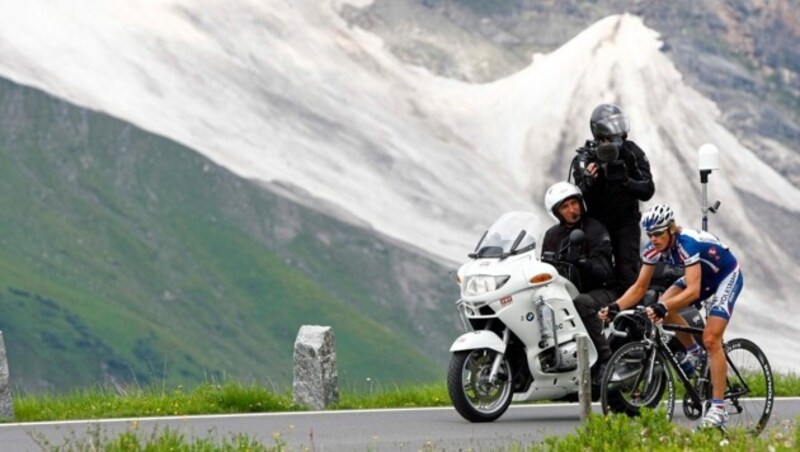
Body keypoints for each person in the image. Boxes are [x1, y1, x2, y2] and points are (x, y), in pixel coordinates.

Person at [599, 204, 744, 430]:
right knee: (663, 312)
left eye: (658, 233)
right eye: (650, 234)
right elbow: (639, 287)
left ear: (671, 229)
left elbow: (693, 291)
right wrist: (615, 307)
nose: (654, 239)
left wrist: (663, 306)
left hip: (725, 276)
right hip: (701, 277)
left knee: (711, 339)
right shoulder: (653, 249)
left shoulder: (687, 244)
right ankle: (696, 355)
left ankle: (718, 408)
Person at [571, 103, 655, 293]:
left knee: (628, 275)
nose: (617, 132)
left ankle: (630, 316)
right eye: (611, 125)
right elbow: (577, 198)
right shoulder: (586, 158)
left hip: (626, 223)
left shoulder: (632, 152)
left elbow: (648, 189)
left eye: (618, 124)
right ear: (598, 130)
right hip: (596, 223)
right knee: (596, 273)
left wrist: (626, 181)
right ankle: (598, 312)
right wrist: (589, 181)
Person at [541, 182, 616, 376]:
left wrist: (582, 263)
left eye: (574, 203)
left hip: (603, 290)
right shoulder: (552, 235)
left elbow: (605, 272)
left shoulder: (595, 229)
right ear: (556, 212)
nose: (572, 209)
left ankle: (606, 361)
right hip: (565, 291)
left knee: (581, 303)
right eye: (565, 206)